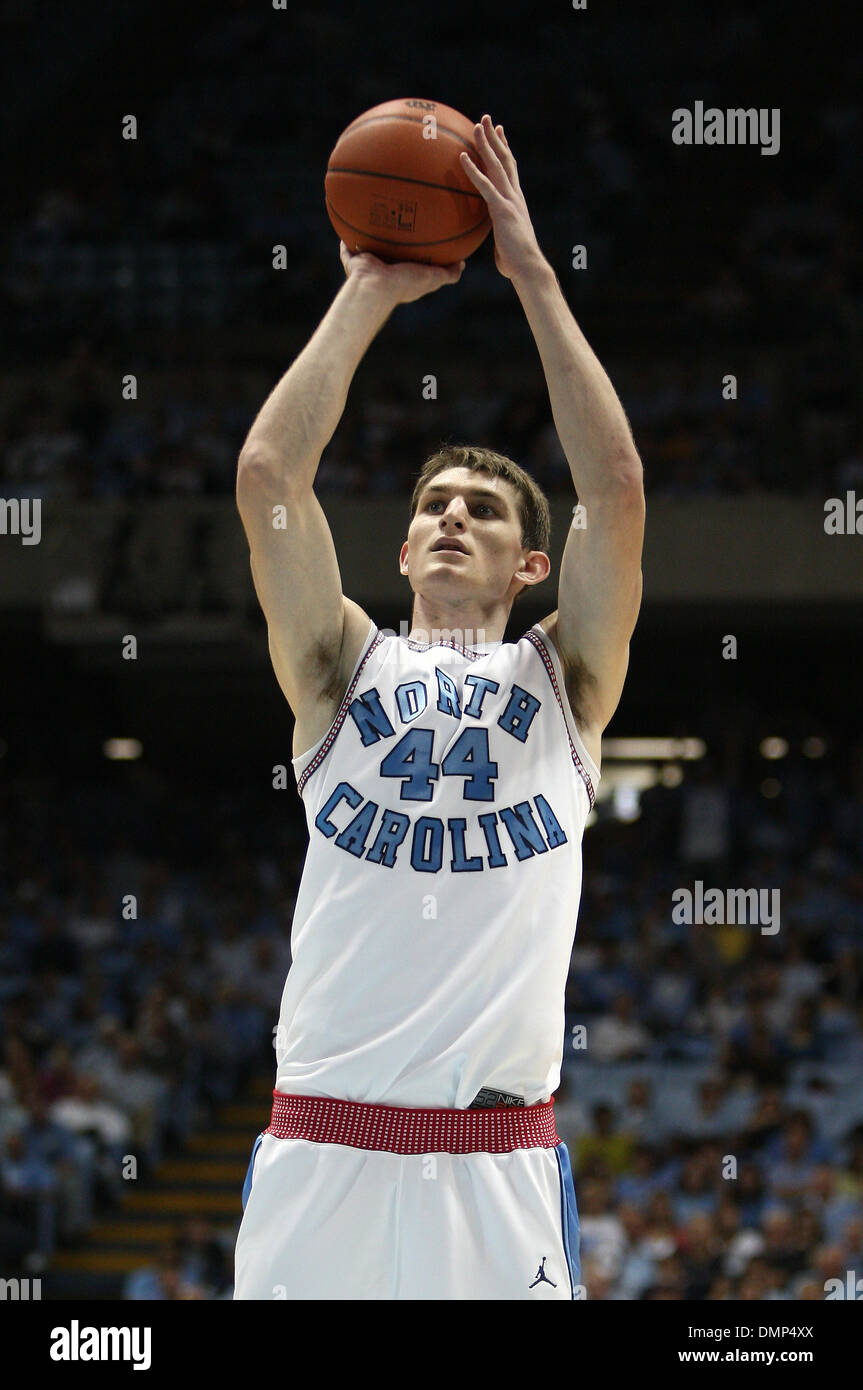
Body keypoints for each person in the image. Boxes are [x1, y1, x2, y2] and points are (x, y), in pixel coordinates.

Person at [233, 114, 645, 1300]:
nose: (455, 515)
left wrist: (528, 273)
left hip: (490, 1160)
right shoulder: (334, 667)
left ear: (530, 567)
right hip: (321, 1144)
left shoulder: (563, 684)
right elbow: (268, 478)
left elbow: (612, 495)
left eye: (487, 509)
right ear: (404, 545)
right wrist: (365, 289)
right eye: (436, 503)